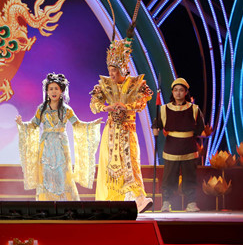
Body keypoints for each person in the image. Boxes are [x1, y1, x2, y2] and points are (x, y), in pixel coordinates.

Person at [90, 37, 153, 213]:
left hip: (127, 130)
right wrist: (106, 107)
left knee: (131, 163)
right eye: (110, 70)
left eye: (115, 70)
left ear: (122, 69)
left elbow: (142, 102)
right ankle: (110, 202)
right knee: (110, 166)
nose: (111, 74)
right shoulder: (105, 85)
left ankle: (138, 198)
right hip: (111, 131)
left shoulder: (135, 84)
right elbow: (94, 105)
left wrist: (127, 106)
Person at [16, 73, 101, 201]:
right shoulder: (41, 109)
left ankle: (65, 204)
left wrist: (93, 124)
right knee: (46, 173)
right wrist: (22, 124)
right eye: (51, 89)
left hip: (61, 146)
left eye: (56, 88)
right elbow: (34, 124)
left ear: (61, 91)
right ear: (47, 91)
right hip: (46, 147)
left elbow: (77, 124)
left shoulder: (67, 110)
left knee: (63, 174)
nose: (53, 91)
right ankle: (45, 204)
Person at [152, 78, 205, 212]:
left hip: (189, 146)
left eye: (181, 90)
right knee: (169, 178)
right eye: (176, 90)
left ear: (186, 92)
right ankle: (166, 203)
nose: (178, 93)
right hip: (172, 147)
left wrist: (189, 134)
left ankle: (191, 203)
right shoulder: (164, 109)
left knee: (190, 177)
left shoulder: (194, 109)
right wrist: (156, 129)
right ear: (172, 92)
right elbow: (157, 124)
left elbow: (200, 127)